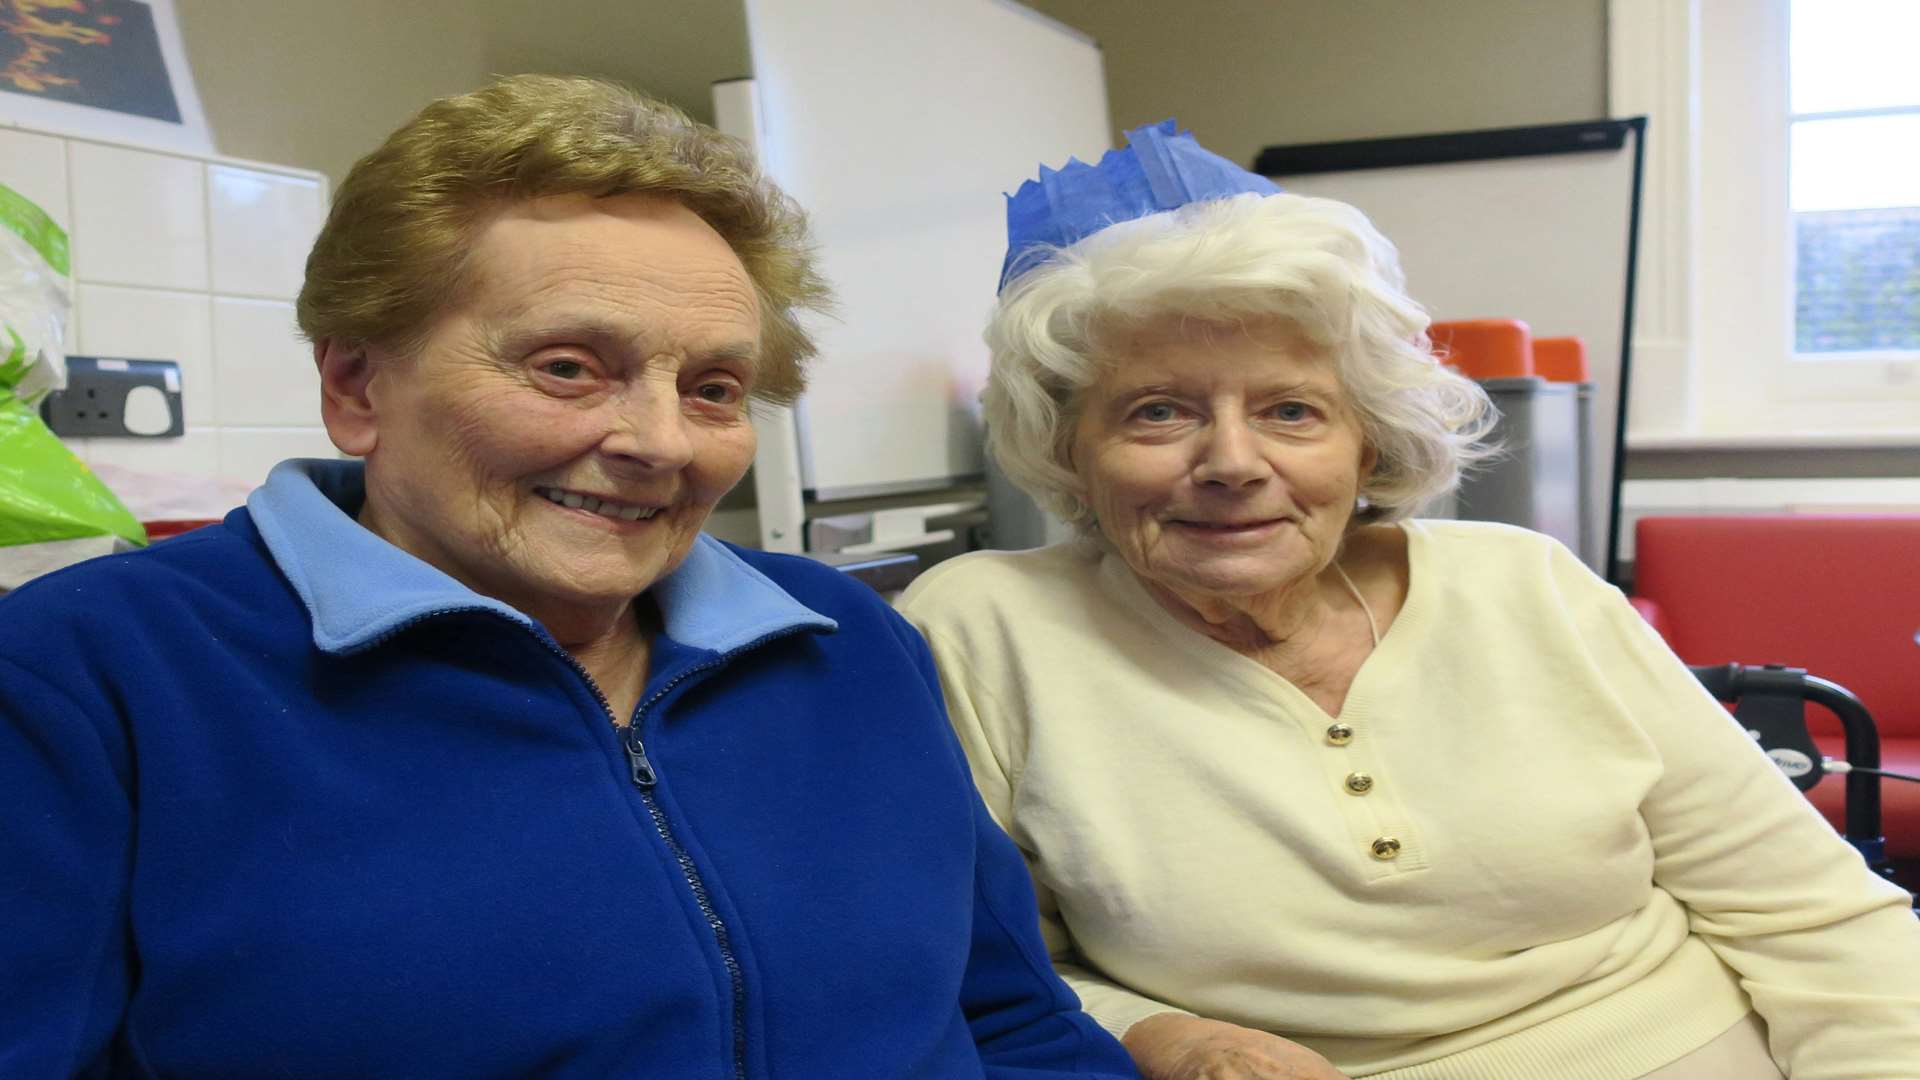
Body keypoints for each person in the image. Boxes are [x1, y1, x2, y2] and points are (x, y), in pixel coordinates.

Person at [0, 75, 1138, 1079]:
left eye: (713, 388)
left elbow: (1012, 1023)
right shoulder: (91, 674)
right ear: (356, 385)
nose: (661, 441)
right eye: (567, 368)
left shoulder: (844, 637)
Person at [898, 121, 1920, 1079]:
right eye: (1157, 412)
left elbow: (1813, 918)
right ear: (1070, 449)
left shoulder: (1528, 586)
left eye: (1291, 411)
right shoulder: (984, 629)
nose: (1232, 462)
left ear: (1369, 443)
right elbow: (983, 975)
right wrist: (1167, 1035)